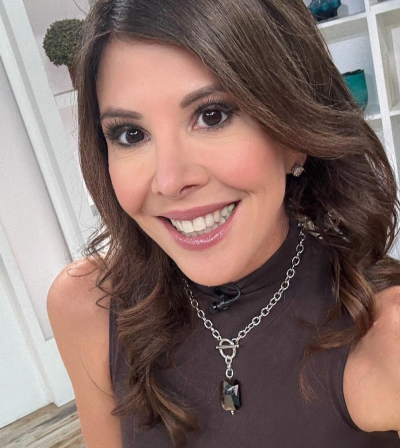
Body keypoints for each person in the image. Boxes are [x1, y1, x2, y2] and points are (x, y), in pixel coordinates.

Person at [47, 0, 400, 447]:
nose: (170, 180)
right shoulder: (88, 307)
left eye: (212, 115)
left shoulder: (386, 336)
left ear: (294, 134)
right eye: (130, 135)